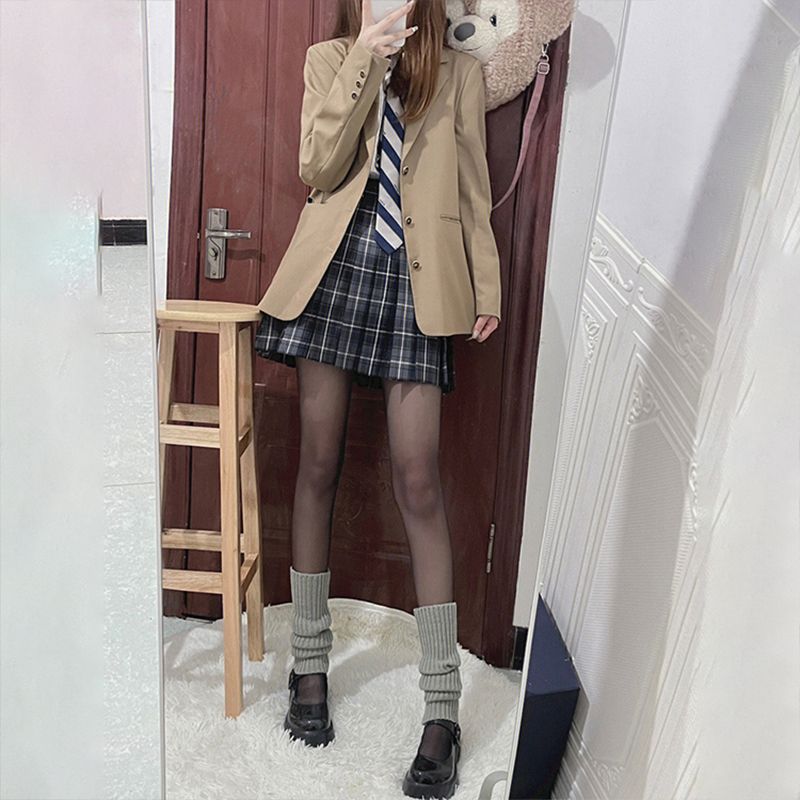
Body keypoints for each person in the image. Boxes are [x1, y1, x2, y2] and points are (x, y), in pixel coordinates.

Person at [253, 0, 501, 796]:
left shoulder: (458, 75)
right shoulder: (329, 60)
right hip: (336, 273)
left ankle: (442, 712)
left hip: (418, 285)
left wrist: (486, 282)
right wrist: (365, 56)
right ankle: (309, 667)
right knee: (317, 463)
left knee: (419, 480)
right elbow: (316, 166)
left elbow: (472, 189)